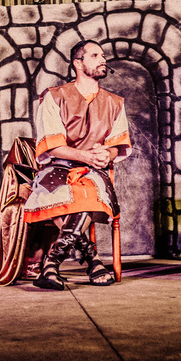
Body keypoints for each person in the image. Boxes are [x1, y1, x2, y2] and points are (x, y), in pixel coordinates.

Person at [23, 40, 131, 290]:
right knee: (62, 194)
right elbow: (52, 146)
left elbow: (118, 144)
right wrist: (87, 156)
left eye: (103, 55)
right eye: (95, 55)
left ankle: (51, 266)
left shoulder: (115, 102)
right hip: (57, 168)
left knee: (88, 192)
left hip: (94, 171)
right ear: (78, 63)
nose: (103, 60)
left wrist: (107, 153)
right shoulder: (54, 97)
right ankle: (93, 260)